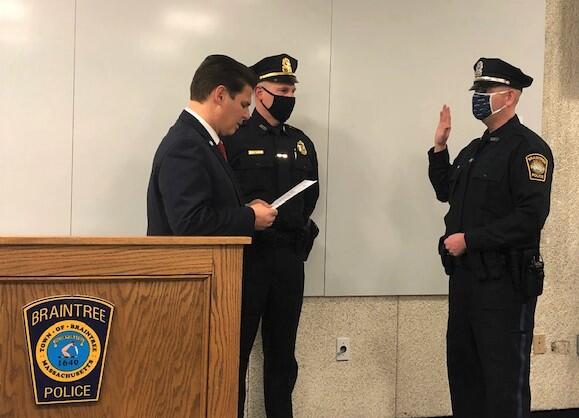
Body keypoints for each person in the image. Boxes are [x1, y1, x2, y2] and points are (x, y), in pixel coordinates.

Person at [428, 57, 554, 418]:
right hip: (466, 282)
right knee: (465, 377)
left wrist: (471, 239)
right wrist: (440, 148)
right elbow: (445, 191)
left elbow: (530, 219)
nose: (479, 97)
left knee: (503, 383)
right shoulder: (474, 150)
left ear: (510, 96)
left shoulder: (528, 149)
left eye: (486, 90)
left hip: (504, 286)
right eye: (477, 90)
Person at [222, 53, 319, 418]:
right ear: (260, 93)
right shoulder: (234, 137)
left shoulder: (302, 142)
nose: (290, 95)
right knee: (235, 354)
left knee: (283, 356)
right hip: (248, 259)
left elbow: (311, 196)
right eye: (283, 89)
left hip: (288, 259)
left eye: (293, 89)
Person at [147, 54, 278, 236]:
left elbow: (206, 209)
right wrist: (250, 217)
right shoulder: (186, 146)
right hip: (192, 264)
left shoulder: (199, 140)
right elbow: (190, 223)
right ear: (221, 95)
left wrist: (245, 210)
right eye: (244, 104)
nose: (247, 115)